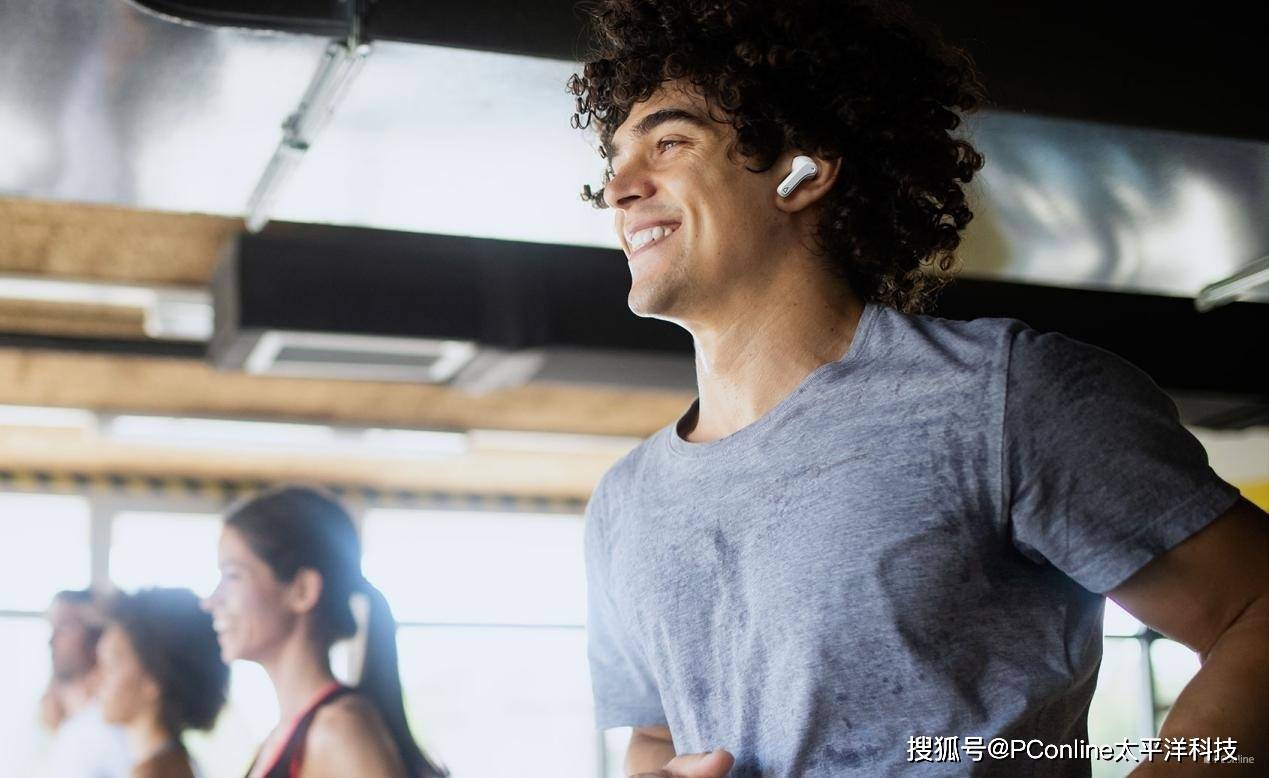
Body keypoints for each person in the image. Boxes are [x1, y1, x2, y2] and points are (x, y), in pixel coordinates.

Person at [567, 1, 1269, 776]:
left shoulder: (1001, 395)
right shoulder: (625, 501)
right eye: (613, 159)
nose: (620, 187)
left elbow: (1255, 611)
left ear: (804, 172)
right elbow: (660, 738)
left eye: (668, 142)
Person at [201, 486, 446, 778]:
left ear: (303, 590)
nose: (211, 601)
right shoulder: (283, 735)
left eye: (232, 575)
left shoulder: (340, 730)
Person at [97, 587, 229, 778]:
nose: (97, 679)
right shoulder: (171, 763)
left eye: (110, 667)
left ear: (153, 680)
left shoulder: (157, 772)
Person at [41, 588, 132, 778]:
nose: (52, 640)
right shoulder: (69, 727)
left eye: (65, 627)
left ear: (96, 636)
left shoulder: (112, 729)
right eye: (52, 626)